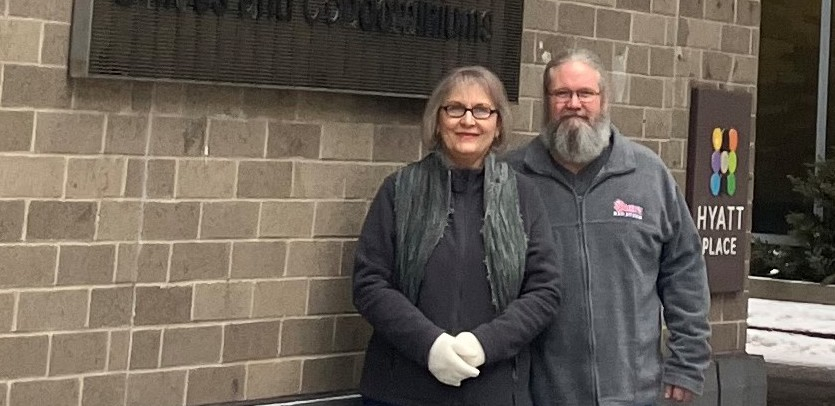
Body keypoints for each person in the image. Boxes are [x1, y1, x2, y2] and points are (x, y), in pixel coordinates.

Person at [505, 48, 711, 405]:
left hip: (635, 391)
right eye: (561, 94)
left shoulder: (647, 174)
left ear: (604, 100)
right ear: (546, 102)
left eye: (585, 93)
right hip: (541, 393)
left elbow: (684, 270)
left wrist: (688, 362)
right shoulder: (512, 178)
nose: (574, 103)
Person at [352, 66, 561, 406]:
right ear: (437, 121)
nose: (468, 120)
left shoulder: (524, 195)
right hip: (401, 391)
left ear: (498, 126)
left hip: (495, 391)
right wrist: (430, 346)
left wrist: (484, 345)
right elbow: (369, 283)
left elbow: (545, 291)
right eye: (455, 109)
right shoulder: (398, 191)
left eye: (482, 110)